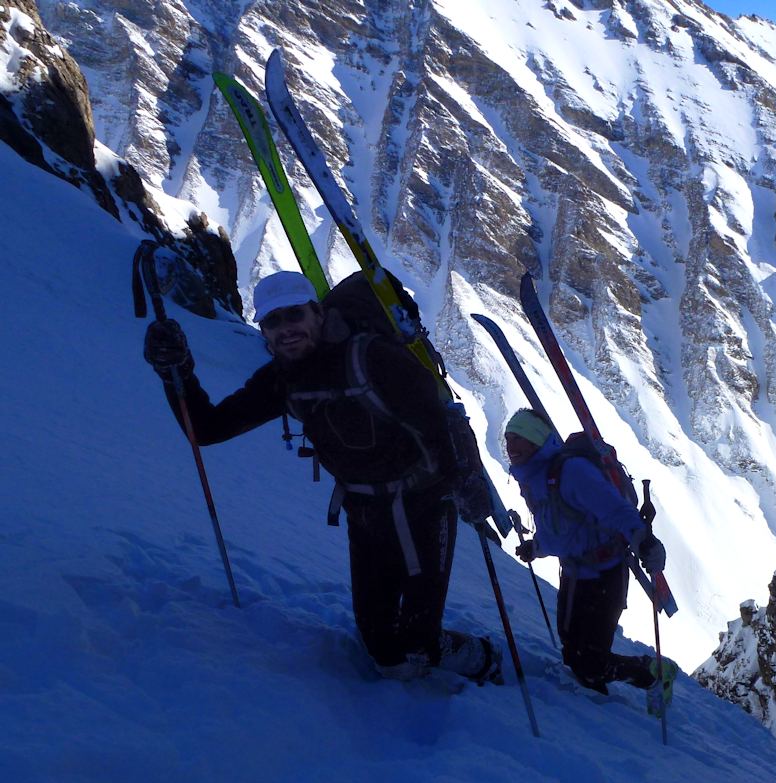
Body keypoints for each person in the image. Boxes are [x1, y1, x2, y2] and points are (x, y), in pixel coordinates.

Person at [142, 270, 501, 683]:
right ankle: (427, 663)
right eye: (272, 322)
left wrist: (466, 482)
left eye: (293, 315)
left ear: (317, 313)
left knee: (419, 642)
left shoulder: (374, 359)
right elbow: (206, 430)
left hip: (423, 507)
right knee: (384, 651)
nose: (285, 330)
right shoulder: (283, 379)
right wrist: (178, 374)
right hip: (365, 514)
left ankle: (483, 659)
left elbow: (443, 424)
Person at [503, 408, 677, 704]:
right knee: (572, 650)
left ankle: (652, 673)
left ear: (536, 441)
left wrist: (644, 542)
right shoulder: (532, 479)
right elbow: (559, 528)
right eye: (509, 438)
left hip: (605, 573)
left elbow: (616, 511)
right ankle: (592, 706)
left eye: (520, 438)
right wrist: (537, 547)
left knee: (590, 662)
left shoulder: (571, 473)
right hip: (573, 571)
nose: (512, 446)